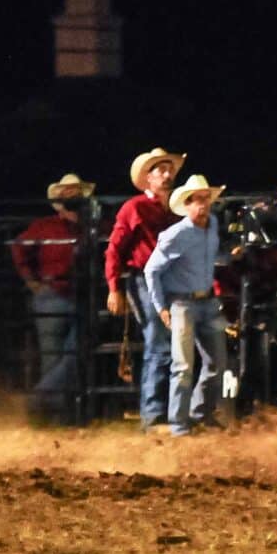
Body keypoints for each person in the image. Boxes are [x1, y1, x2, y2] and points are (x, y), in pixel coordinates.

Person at [104, 147, 184, 431]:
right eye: (160, 170)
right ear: (148, 177)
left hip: (173, 280)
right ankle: (154, 413)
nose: (166, 174)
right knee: (160, 342)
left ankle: (166, 412)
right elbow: (114, 249)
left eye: (169, 169)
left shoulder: (177, 210)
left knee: (170, 344)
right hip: (146, 280)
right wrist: (114, 287)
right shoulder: (134, 208)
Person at [144, 174, 228, 436]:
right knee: (183, 366)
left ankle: (199, 413)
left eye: (205, 199)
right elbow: (151, 270)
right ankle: (179, 425)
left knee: (217, 363)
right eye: (196, 200)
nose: (202, 204)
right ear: (187, 204)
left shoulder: (212, 225)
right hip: (182, 303)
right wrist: (161, 307)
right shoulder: (175, 234)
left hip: (207, 301)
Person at [10, 173, 95, 410]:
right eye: (67, 191)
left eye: (75, 190)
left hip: (79, 294)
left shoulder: (89, 227)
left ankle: (39, 401)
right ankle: (55, 413)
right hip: (53, 294)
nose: (72, 194)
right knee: (53, 355)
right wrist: (31, 281)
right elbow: (18, 248)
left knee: (75, 352)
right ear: (59, 197)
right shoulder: (45, 225)